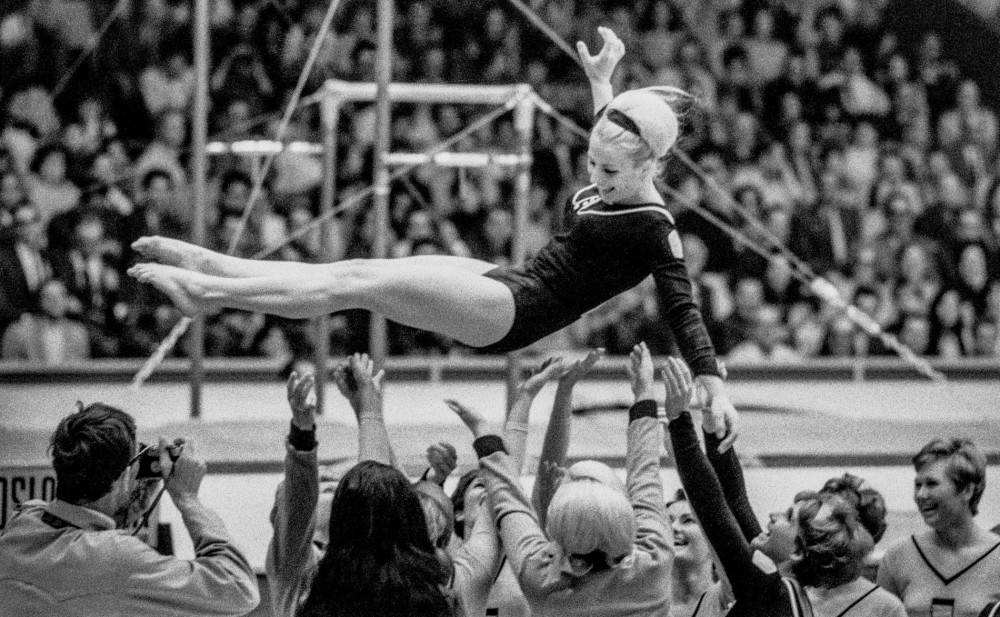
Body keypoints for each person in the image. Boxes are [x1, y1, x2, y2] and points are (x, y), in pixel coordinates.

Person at [126, 27, 738, 448]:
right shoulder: (619, 153)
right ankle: (215, 266)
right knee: (356, 268)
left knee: (355, 284)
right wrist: (602, 80)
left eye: (609, 172)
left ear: (649, 167)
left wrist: (712, 384)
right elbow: (609, 129)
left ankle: (209, 293)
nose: (595, 176)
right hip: (512, 281)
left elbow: (682, 308)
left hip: (514, 313)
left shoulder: (654, 226)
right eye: (591, 162)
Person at [662, 354, 906, 616]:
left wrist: (680, 422)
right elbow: (735, 500)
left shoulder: (771, 593)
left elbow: (714, 513)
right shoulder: (782, 586)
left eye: (788, 517)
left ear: (799, 551)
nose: (772, 515)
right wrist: (714, 427)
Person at [451, 341, 673, 615]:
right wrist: (645, 391)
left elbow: (509, 501)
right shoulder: (654, 562)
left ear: (555, 525)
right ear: (627, 518)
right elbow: (645, 477)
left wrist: (484, 436)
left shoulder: (541, 575)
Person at [0, 402, 259, 616]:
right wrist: (188, 498)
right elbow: (238, 589)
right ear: (125, 476)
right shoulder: (116, 557)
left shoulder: (22, 524)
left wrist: (128, 509)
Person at [877, 438, 1000, 616]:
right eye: (918, 485)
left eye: (932, 484)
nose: (921, 495)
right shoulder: (897, 556)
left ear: (967, 490)